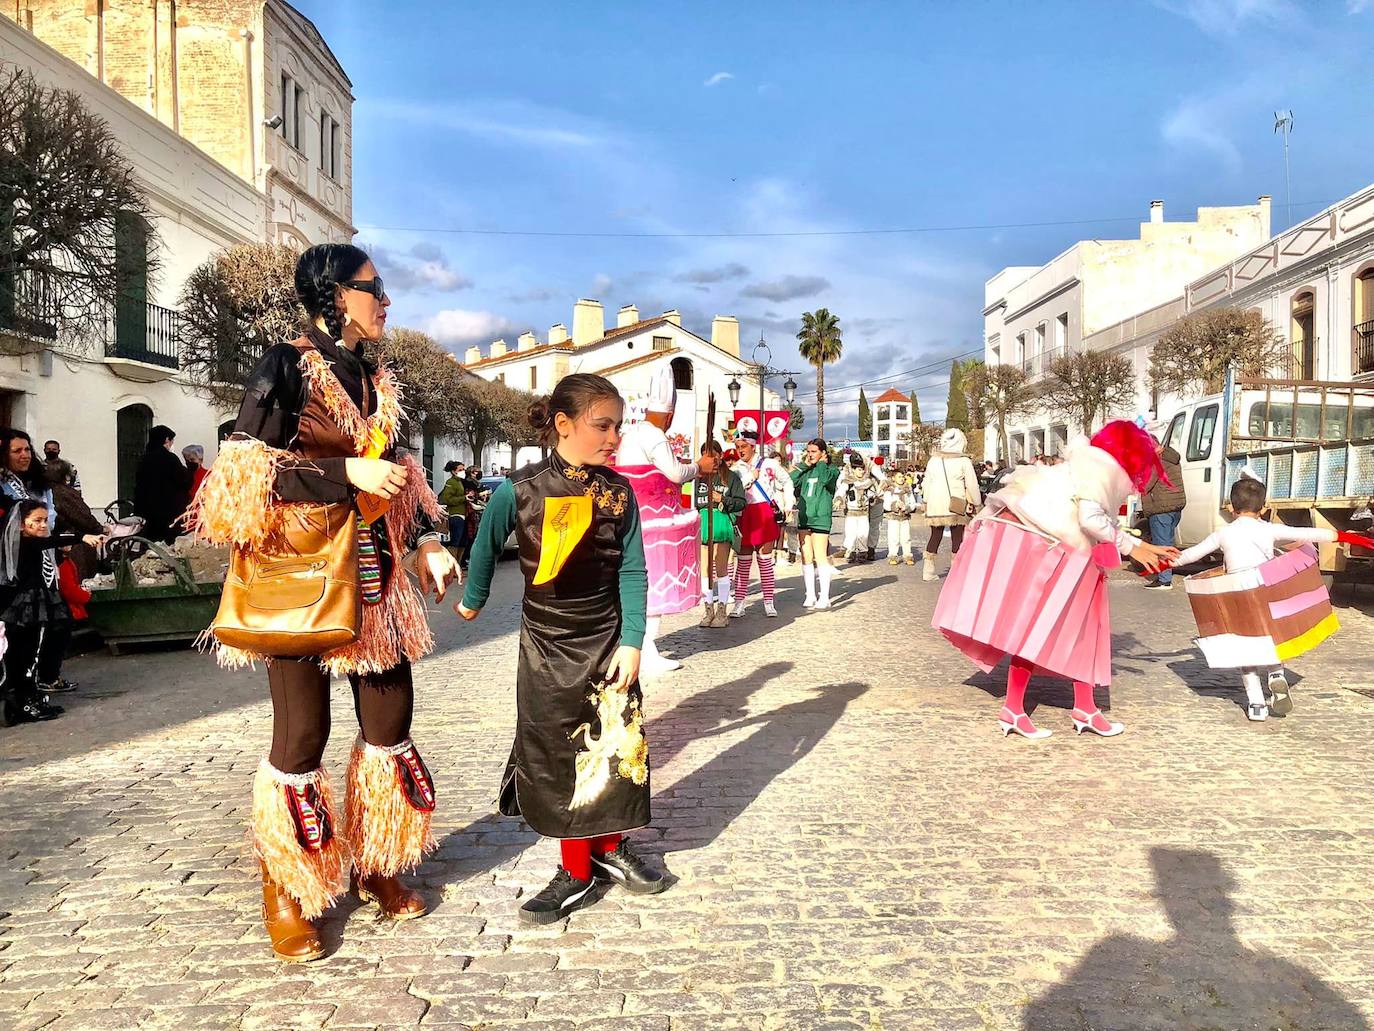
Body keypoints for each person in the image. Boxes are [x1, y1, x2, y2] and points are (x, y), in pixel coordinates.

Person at [185, 243, 459, 961]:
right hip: (301, 581)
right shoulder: (283, 364)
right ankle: (287, 887)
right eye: (376, 289)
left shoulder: (378, 378)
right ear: (336, 295)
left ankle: (379, 864)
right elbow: (242, 480)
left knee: (391, 723)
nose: (387, 302)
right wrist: (345, 470)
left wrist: (429, 536)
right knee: (301, 735)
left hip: (375, 580)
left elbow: (399, 470)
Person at [458, 373, 664, 925]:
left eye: (619, 426)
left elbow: (635, 569)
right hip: (548, 645)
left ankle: (612, 848)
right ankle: (576, 869)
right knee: (560, 753)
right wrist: (473, 600)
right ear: (563, 424)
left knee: (618, 748)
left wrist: (633, 640)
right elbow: (485, 543)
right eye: (603, 425)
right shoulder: (517, 489)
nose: (614, 437)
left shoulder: (620, 494)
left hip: (608, 642)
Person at [932, 422, 1180, 739]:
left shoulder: (1085, 463)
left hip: (1062, 552)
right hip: (1066, 555)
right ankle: (1034, 710)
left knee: (1063, 631)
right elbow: (1090, 518)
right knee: (1057, 630)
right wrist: (1135, 547)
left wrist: (1140, 547)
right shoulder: (1102, 469)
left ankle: (1063, 708)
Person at [1171, 473, 1372, 722]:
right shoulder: (1269, 529)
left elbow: (1191, 554)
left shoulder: (1223, 533)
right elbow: (1308, 533)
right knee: (1269, 638)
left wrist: (1162, 561)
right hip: (1265, 590)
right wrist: (1346, 537)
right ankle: (1276, 674)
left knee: (1243, 648)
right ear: (1264, 508)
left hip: (1236, 594)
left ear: (1232, 508)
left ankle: (1256, 703)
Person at [613, 367, 713, 676]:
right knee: (654, 586)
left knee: (641, 584)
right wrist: (699, 466)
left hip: (633, 519)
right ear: (669, 417)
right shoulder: (654, 437)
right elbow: (675, 473)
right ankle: (646, 648)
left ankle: (640, 644)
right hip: (654, 522)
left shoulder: (630, 435)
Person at [0, 500, 103, 726]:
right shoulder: (27, 544)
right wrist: (81, 537)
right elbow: (51, 541)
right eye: (36, 521)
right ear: (21, 524)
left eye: (45, 520)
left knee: (26, 651)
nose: (42, 525)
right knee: (26, 652)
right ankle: (24, 699)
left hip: (24, 605)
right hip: (28, 605)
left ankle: (26, 696)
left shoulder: (24, 544)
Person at [730, 430, 792, 618]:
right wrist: (750, 477)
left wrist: (788, 503)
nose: (740, 451)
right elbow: (735, 489)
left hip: (764, 512)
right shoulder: (735, 469)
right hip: (745, 513)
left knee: (765, 560)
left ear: (753, 446)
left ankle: (768, 601)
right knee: (743, 562)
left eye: (743, 447)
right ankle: (739, 602)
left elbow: (787, 481)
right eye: (737, 447)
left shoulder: (769, 464)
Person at [693, 441, 746, 628]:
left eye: (714, 455)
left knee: (721, 567)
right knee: (705, 570)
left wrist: (721, 499)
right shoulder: (698, 477)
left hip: (721, 520)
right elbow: (692, 502)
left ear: (720, 455)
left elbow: (741, 502)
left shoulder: (731, 478)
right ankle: (708, 610)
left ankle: (722, 610)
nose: (711, 459)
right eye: (706, 455)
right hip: (703, 521)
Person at [920, 428, 981, 581]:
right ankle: (956, 569)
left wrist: (926, 501)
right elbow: (972, 485)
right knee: (957, 536)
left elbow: (926, 482)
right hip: (956, 502)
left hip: (935, 501)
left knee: (935, 534)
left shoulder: (934, 460)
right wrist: (978, 504)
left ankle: (928, 569)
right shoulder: (964, 461)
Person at [790, 438, 841, 609]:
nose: (810, 454)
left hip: (821, 517)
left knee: (820, 556)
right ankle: (810, 594)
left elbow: (826, 480)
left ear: (823, 453)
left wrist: (821, 464)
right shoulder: (806, 470)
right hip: (805, 517)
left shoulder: (831, 470)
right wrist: (804, 466)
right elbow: (791, 481)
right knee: (806, 557)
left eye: (814, 451)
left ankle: (824, 596)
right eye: (808, 451)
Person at [1141, 429, 1187, 591]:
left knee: (1162, 543)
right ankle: (1165, 574)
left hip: (1161, 507)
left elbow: (1146, 484)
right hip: (1174, 506)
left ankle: (1164, 579)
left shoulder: (1156, 461)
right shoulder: (1171, 457)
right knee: (1168, 541)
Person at [134, 425, 192, 544]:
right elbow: (185, 480)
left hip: (148, 511)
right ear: (166, 440)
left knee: (150, 543)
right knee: (168, 545)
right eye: (171, 441)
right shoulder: (169, 458)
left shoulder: (144, 459)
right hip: (169, 511)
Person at [0, 429, 54, 530]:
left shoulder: (39, 481)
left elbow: (51, 514)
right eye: (17, 451)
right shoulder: (2, 483)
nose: (25, 455)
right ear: (4, 455)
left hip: (42, 540)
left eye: (27, 449)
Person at [838, 453, 877, 563]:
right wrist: (839, 499)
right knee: (850, 533)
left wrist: (873, 497)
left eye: (862, 469)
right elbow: (840, 492)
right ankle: (850, 551)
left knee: (863, 533)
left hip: (863, 512)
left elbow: (872, 494)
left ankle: (862, 552)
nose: (861, 472)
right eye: (858, 469)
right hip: (851, 512)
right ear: (853, 470)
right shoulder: (848, 483)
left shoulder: (868, 483)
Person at [883, 469, 919, 566]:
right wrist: (895, 505)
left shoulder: (908, 489)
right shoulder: (889, 490)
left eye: (903, 477)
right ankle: (893, 555)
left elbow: (913, 503)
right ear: (894, 478)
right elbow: (886, 505)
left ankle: (907, 555)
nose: (902, 479)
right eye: (899, 477)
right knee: (893, 537)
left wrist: (907, 507)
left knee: (906, 537)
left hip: (905, 517)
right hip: (893, 517)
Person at [437, 460, 470, 565]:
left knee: (463, 542)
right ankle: (452, 566)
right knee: (455, 542)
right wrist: (464, 498)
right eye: (460, 470)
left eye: (463, 469)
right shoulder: (451, 482)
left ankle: (458, 565)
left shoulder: (460, 482)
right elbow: (448, 499)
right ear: (453, 471)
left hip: (463, 515)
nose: (463, 471)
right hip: (455, 516)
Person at [865, 455, 887, 561]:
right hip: (862, 501)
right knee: (862, 526)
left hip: (877, 500)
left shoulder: (875, 469)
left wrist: (878, 491)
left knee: (874, 525)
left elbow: (884, 480)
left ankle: (871, 549)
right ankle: (861, 549)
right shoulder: (854, 470)